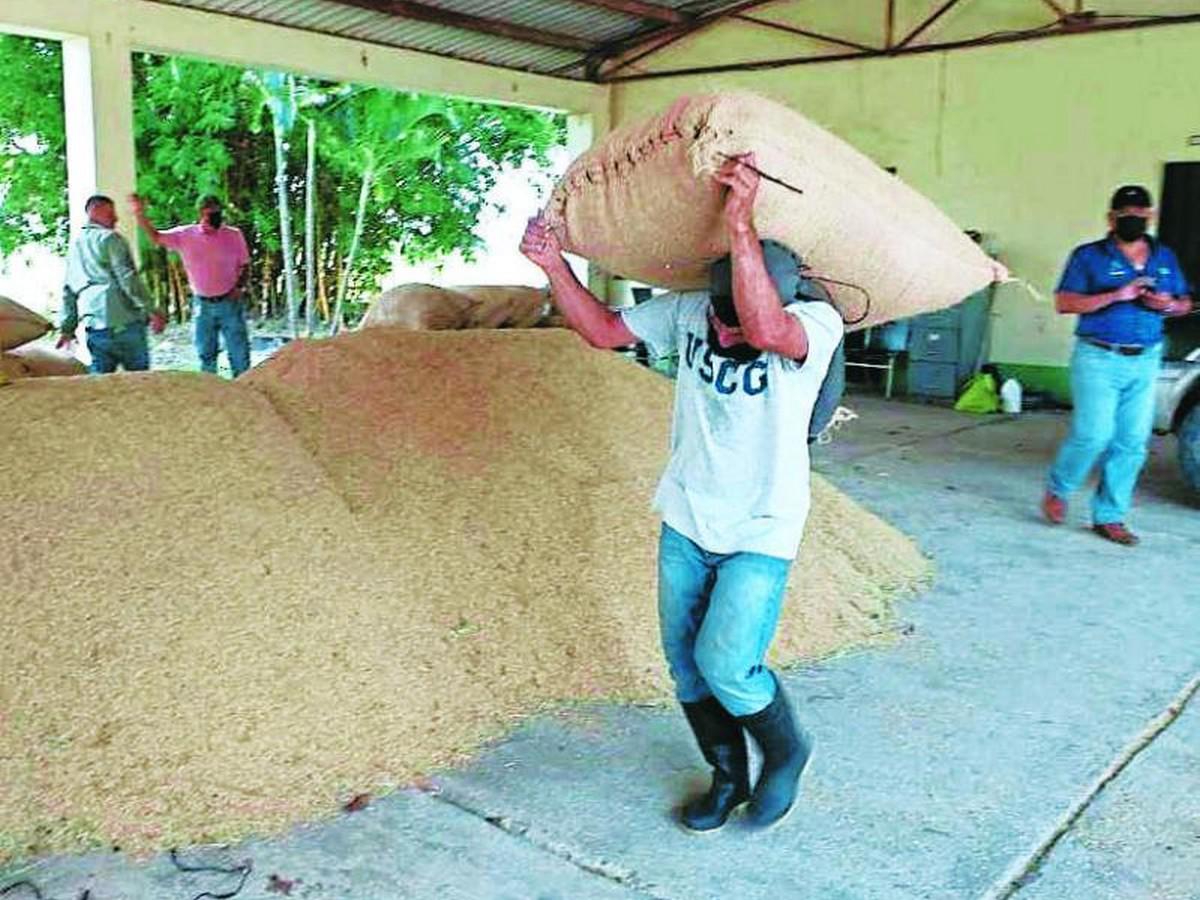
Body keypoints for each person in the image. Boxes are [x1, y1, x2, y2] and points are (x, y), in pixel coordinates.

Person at [520, 153, 844, 832]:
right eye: (719, 319)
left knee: (727, 663)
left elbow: (763, 329)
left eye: (737, 323)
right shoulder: (694, 310)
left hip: (762, 527)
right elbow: (606, 332)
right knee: (685, 667)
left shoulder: (814, 327)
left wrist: (739, 218)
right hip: (689, 517)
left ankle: (786, 752)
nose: (724, 333)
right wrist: (552, 265)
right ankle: (727, 777)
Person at [1041, 184, 1193, 545]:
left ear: (1150, 217)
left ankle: (1109, 516)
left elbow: (1185, 303)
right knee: (1093, 435)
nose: (1133, 221)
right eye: (1125, 216)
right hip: (1098, 357)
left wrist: (1167, 305)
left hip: (1145, 359)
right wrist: (1116, 295)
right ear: (1111, 218)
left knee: (1132, 442)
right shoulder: (1088, 256)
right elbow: (1064, 303)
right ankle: (1058, 488)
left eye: (1139, 216)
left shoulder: (1164, 257)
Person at [130, 193, 252, 377]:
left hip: (229, 302)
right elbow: (156, 236)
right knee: (206, 354)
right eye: (211, 214)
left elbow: (245, 264)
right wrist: (140, 214)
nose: (215, 218)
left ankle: (245, 390)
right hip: (202, 304)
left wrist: (239, 288)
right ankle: (210, 392)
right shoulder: (185, 235)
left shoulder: (233, 235)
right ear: (201, 213)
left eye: (218, 213)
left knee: (239, 354)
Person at [58, 195, 165, 373]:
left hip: (94, 326)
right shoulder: (110, 239)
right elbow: (128, 279)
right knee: (140, 383)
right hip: (125, 323)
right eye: (110, 214)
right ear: (94, 212)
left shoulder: (75, 245)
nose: (116, 219)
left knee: (101, 388)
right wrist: (151, 310)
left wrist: (67, 328)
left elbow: (69, 290)